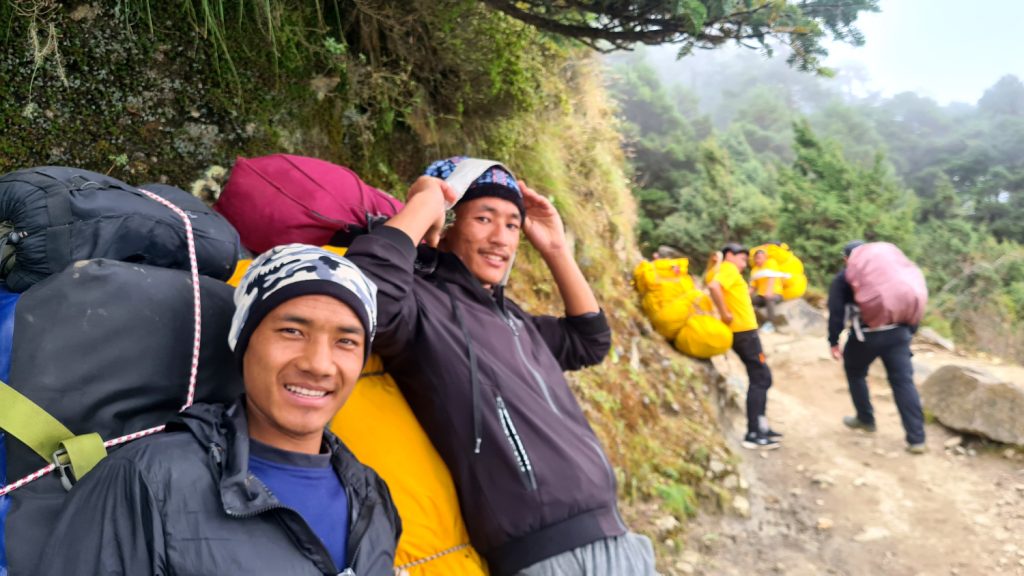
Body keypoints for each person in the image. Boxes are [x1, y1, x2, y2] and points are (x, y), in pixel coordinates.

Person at [346, 157, 657, 576]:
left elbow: (590, 340)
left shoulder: (512, 318)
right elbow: (364, 299)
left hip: (617, 538)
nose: (501, 238)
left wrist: (556, 249)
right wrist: (424, 203)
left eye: (512, 224)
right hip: (540, 558)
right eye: (484, 218)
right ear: (447, 224)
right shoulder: (422, 309)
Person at [37, 245, 401, 575]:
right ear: (243, 342)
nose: (319, 364)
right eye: (292, 331)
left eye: (346, 342)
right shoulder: (147, 480)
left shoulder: (371, 497)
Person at [827, 240, 927, 454]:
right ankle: (917, 439)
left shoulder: (844, 277)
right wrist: (909, 332)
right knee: (903, 382)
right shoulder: (894, 273)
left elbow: (837, 313)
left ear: (847, 259)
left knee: (854, 371)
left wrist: (833, 341)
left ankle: (866, 419)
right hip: (899, 333)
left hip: (867, 336)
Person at [707, 243, 780, 450]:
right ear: (729, 255)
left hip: (744, 331)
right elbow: (714, 287)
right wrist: (725, 313)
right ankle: (753, 433)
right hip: (743, 332)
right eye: (741, 258)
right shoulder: (728, 269)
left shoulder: (726, 271)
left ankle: (761, 427)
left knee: (762, 377)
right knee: (761, 377)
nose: (744, 263)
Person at [748, 248, 784, 331]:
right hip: (761, 296)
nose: (757, 260)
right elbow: (753, 287)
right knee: (748, 301)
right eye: (756, 258)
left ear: (765, 257)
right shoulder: (754, 270)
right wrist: (744, 296)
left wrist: (769, 291)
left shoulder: (771, 263)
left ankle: (771, 324)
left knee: (769, 298)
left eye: (759, 257)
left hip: (776, 294)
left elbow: (772, 277)